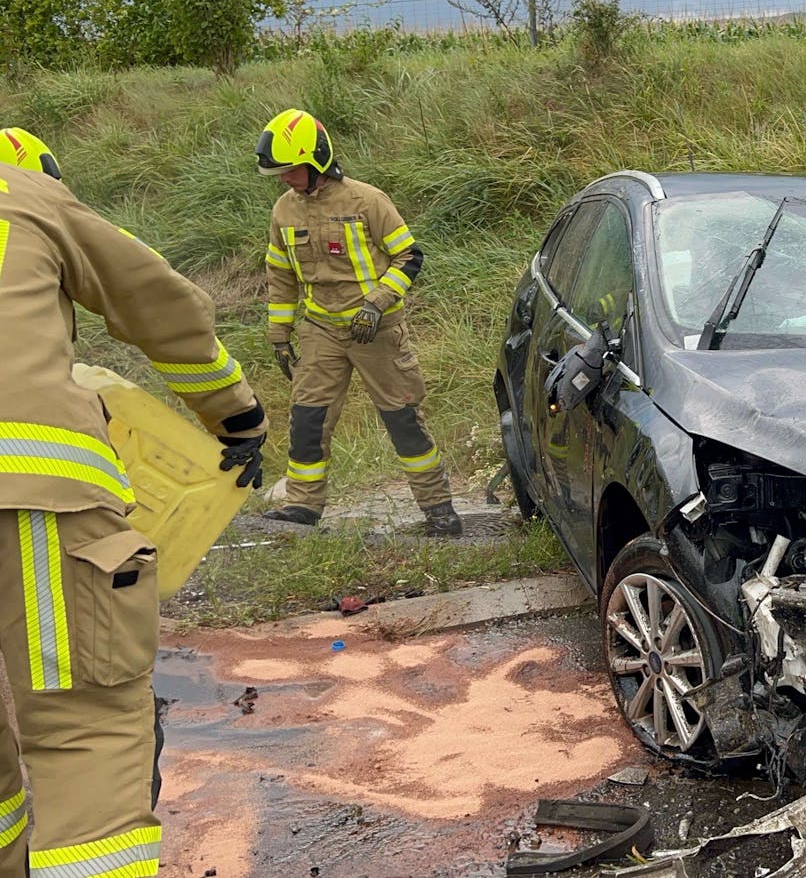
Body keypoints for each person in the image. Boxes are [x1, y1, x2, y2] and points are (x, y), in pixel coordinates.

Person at [0, 126, 267, 878]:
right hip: (38, 501)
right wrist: (235, 414)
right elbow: (159, 301)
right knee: (81, 732)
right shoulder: (31, 198)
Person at [254, 109, 462, 537]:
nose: (283, 179)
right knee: (308, 420)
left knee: (403, 418)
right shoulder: (283, 211)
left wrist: (376, 304)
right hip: (320, 331)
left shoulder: (367, 201)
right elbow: (280, 274)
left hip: (377, 332)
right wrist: (279, 334)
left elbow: (410, 257)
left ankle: (438, 506)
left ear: (315, 163)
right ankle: (303, 506)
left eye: (289, 171)